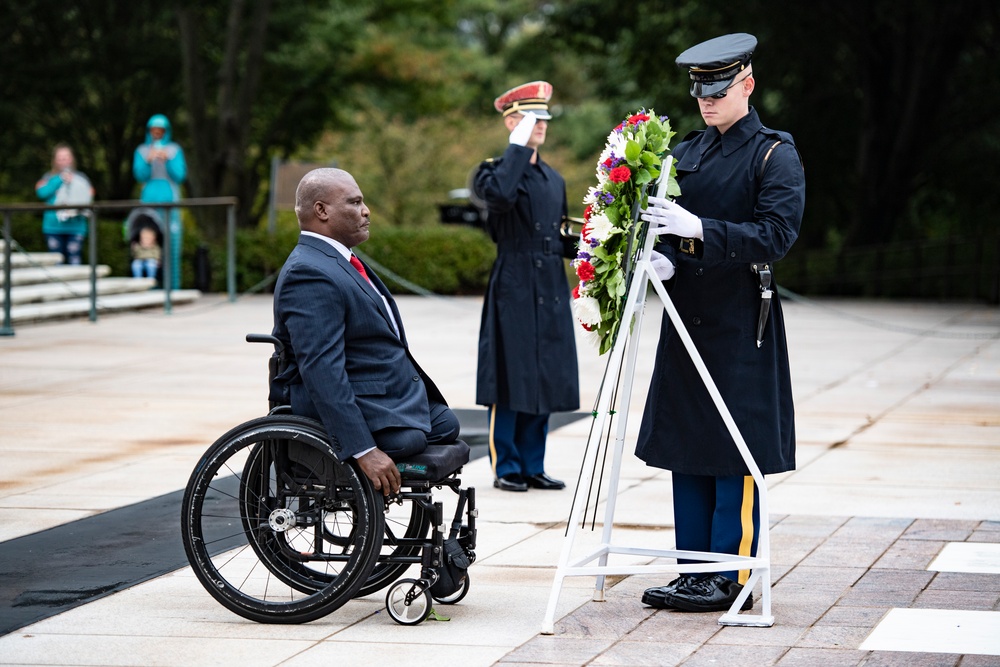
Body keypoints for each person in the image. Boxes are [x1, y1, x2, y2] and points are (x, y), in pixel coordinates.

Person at [635, 34, 806, 612]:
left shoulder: (773, 154)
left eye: (719, 89)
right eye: (700, 90)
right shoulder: (687, 151)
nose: (707, 101)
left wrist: (702, 229)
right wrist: (663, 256)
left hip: (739, 320)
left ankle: (731, 573)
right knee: (688, 443)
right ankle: (695, 570)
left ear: (747, 85)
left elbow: (776, 236)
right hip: (687, 314)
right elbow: (666, 229)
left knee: (735, 446)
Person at [269, 168, 461, 495]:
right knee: (412, 438)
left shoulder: (337, 259)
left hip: (380, 391)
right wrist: (363, 450)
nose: (366, 210)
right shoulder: (309, 272)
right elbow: (321, 369)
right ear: (322, 211)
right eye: (355, 202)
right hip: (346, 398)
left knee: (446, 424)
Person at [473, 81, 580, 493]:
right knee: (510, 372)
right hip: (514, 283)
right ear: (512, 121)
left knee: (545, 374)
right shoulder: (492, 173)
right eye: (532, 119)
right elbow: (499, 197)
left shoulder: (553, 178)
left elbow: (558, 234)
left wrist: (595, 248)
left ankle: (534, 463)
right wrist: (516, 149)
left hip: (549, 281)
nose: (541, 127)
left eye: (543, 120)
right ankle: (508, 465)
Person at [133, 114, 186, 290]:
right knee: (148, 247)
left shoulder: (174, 150)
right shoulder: (141, 150)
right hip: (149, 205)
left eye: (160, 130)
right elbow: (139, 175)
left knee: (172, 246)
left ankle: (173, 288)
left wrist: (167, 159)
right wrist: (148, 160)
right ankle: (150, 288)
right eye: (154, 130)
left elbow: (180, 175)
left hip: (170, 202)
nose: (157, 133)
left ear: (166, 131)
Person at [34, 144, 94, 265]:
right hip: (53, 227)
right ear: (55, 160)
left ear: (72, 159)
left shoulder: (81, 178)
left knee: (75, 260)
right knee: (56, 262)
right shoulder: (48, 177)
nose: (63, 161)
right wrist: (59, 179)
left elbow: (89, 196)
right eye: (60, 158)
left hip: (76, 226)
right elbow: (41, 193)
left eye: (66, 157)